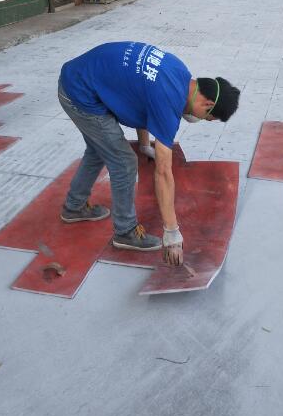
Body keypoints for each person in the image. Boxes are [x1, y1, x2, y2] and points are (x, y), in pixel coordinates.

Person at [58, 42, 240, 266]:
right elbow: (163, 173)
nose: (200, 120)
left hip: (79, 76)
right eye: (206, 117)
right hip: (79, 94)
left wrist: (145, 145)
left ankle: (74, 207)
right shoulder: (170, 102)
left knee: (99, 147)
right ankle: (125, 231)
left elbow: (144, 100)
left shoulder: (180, 73)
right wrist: (172, 233)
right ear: (208, 103)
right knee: (124, 162)